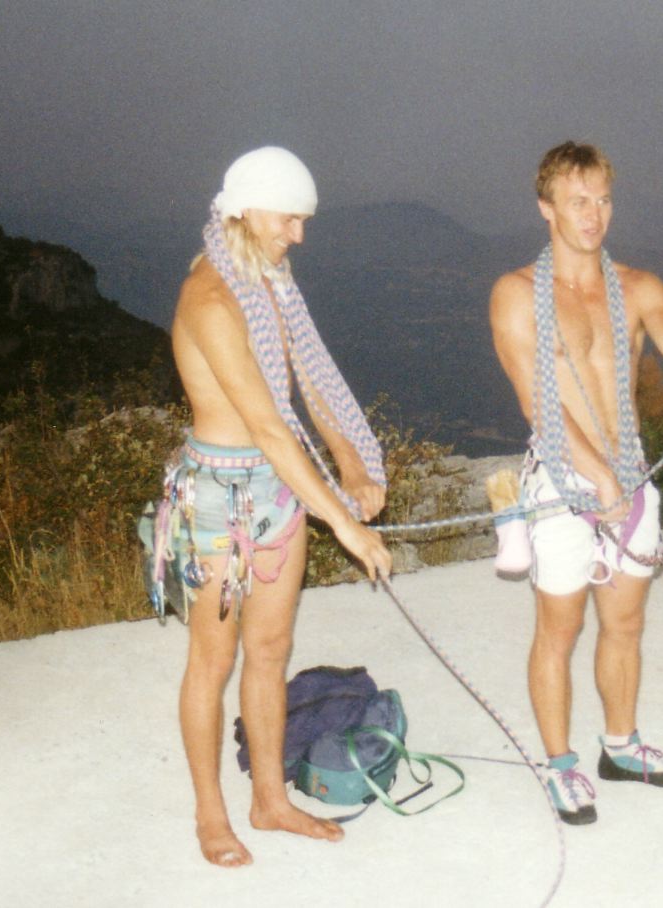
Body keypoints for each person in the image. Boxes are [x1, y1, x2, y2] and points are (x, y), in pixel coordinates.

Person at [489, 141, 663, 825]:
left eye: (603, 199)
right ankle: (558, 765)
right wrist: (595, 475)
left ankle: (620, 747)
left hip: (629, 475)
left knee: (625, 624)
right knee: (559, 627)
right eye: (578, 200)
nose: (593, 214)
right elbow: (534, 402)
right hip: (562, 482)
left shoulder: (637, 286)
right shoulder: (516, 294)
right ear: (545, 208)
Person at [167, 146, 394, 866]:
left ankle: (269, 799)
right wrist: (344, 523)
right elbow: (267, 423)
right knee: (214, 659)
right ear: (243, 210)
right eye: (289, 219)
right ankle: (210, 813)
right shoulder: (210, 298)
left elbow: (311, 377)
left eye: (303, 221)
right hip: (221, 499)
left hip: (277, 490)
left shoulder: (269, 280)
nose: (298, 235)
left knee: (270, 651)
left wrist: (356, 462)